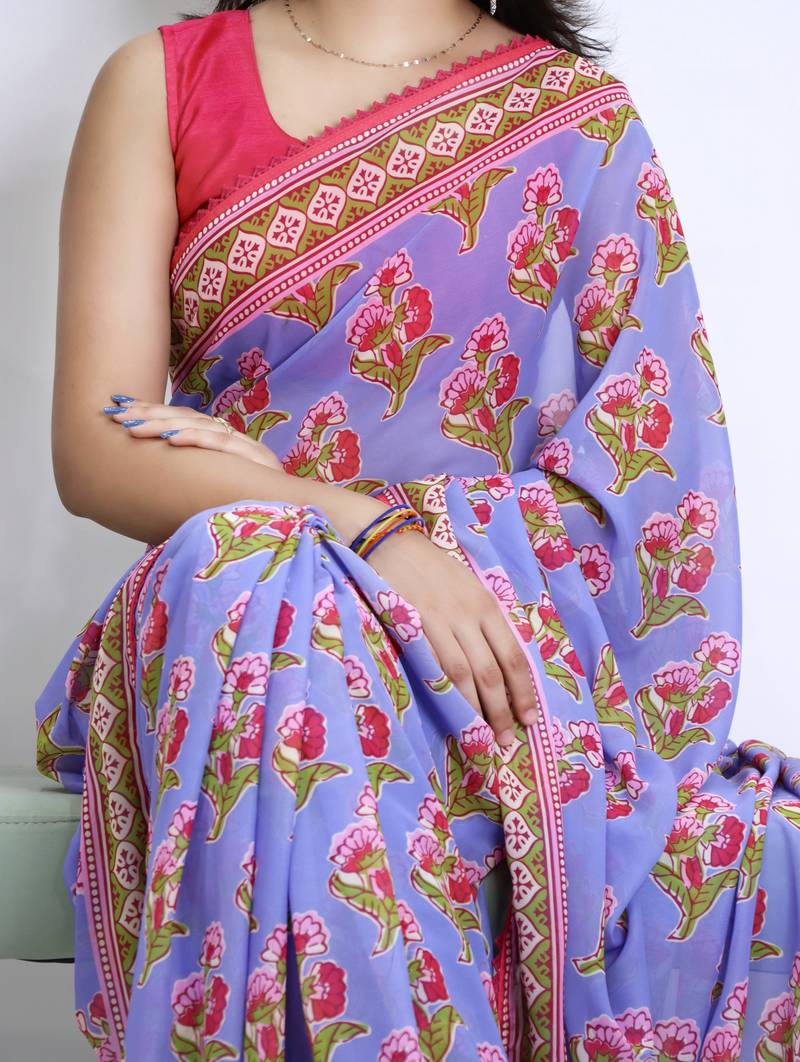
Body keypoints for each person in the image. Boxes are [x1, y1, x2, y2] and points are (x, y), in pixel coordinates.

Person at [34, 0, 800, 1058]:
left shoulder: (574, 116)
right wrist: (362, 528)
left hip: (485, 648)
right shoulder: (164, 83)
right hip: (250, 625)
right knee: (245, 566)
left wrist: (413, 550)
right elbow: (98, 445)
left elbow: (648, 500)